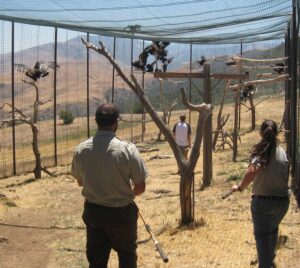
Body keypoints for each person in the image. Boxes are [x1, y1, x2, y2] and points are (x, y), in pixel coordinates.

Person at [71, 103, 148, 268]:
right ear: (116, 123)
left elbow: (80, 182)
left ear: (96, 122)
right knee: (127, 256)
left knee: (96, 260)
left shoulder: (81, 149)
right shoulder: (128, 150)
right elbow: (140, 187)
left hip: (93, 212)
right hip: (122, 213)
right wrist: (127, 194)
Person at [231, 119, 289, 268]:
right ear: (277, 133)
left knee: (262, 237)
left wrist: (240, 186)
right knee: (272, 230)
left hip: (263, 203)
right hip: (282, 202)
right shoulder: (283, 152)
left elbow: (252, 170)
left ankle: (266, 263)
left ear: (260, 133)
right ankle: (270, 259)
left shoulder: (262, 151)